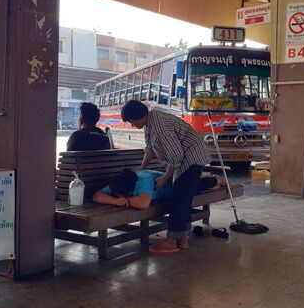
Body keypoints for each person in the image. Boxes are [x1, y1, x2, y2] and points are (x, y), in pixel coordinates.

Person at [121, 100, 211, 253]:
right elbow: (149, 148)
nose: (132, 125)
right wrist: (142, 168)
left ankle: (171, 241)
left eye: (131, 122)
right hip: (184, 160)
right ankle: (182, 238)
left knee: (179, 199)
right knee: (183, 197)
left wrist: (164, 178)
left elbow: (176, 156)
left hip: (191, 158)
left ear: (139, 117)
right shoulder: (149, 122)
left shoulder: (160, 126)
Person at [92, 168, 225, 210]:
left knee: (208, 184)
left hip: (178, 187)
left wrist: (125, 199)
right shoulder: (120, 181)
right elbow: (97, 195)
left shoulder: (143, 181)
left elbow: (143, 203)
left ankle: (216, 178)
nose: (115, 194)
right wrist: (114, 201)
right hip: (165, 187)